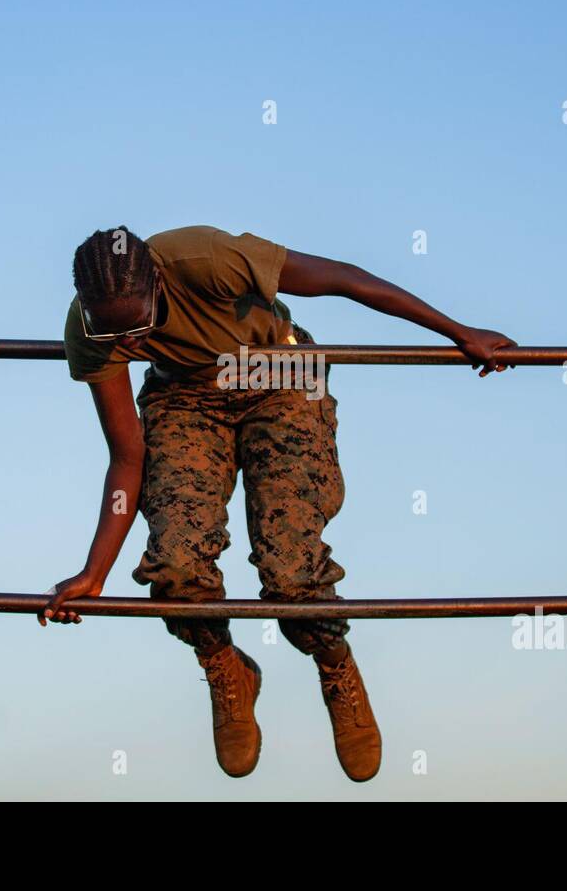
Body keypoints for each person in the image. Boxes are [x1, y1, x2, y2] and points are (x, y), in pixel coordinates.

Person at [39, 224, 515, 781]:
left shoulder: (208, 259)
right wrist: (95, 572)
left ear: (158, 284)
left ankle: (334, 663)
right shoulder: (90, 331)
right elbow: (126, 457)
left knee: (290, 569)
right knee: (174, 561)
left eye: (137, 327)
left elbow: (343, 279)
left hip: (279, 373)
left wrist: (459, 332)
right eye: (110, 333)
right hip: (184, 395)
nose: (126, 346)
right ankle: (224, 667)